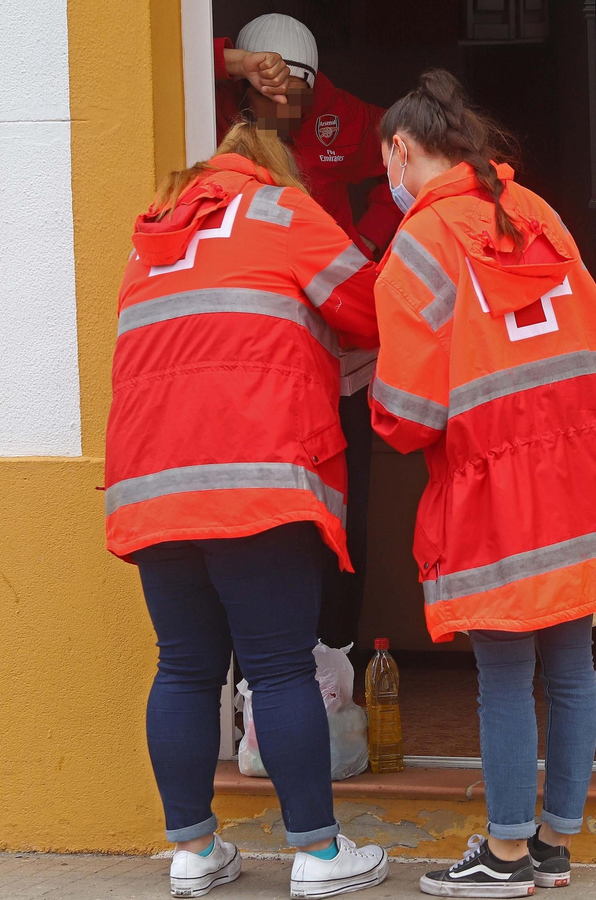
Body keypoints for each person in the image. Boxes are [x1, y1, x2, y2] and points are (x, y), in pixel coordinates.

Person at [368, 70, 596, 898]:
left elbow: (407, 414)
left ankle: (503, 854)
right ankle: (554, 846)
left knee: (502, 674)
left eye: (387, 163)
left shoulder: (418, 245)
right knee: (571, 663)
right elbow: (595, 344)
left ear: (401, 149)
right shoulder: (538, 213)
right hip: (582, 471)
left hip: (494, 489)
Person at [104, 120, 389, 900]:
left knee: (184, 667)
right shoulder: (280, 211)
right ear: (273, 168)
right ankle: (319, 854)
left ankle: (194, 852)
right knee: (280, 666)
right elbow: (370, 308)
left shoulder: (150, 242)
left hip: (154, 484)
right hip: (255, 477)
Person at [214, 13, 396, 666]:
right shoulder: (211, 109)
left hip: (341, 340)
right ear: (243, 92)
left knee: (345, 511)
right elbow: (179, 62)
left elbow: (413, 154)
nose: (289, 110)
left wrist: (365, 241)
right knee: (273, 508)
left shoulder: (342, 114)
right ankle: (269, 666)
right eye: (273, 95)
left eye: (300, 95)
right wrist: (237, 61)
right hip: (264, 351)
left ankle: (336, 656)